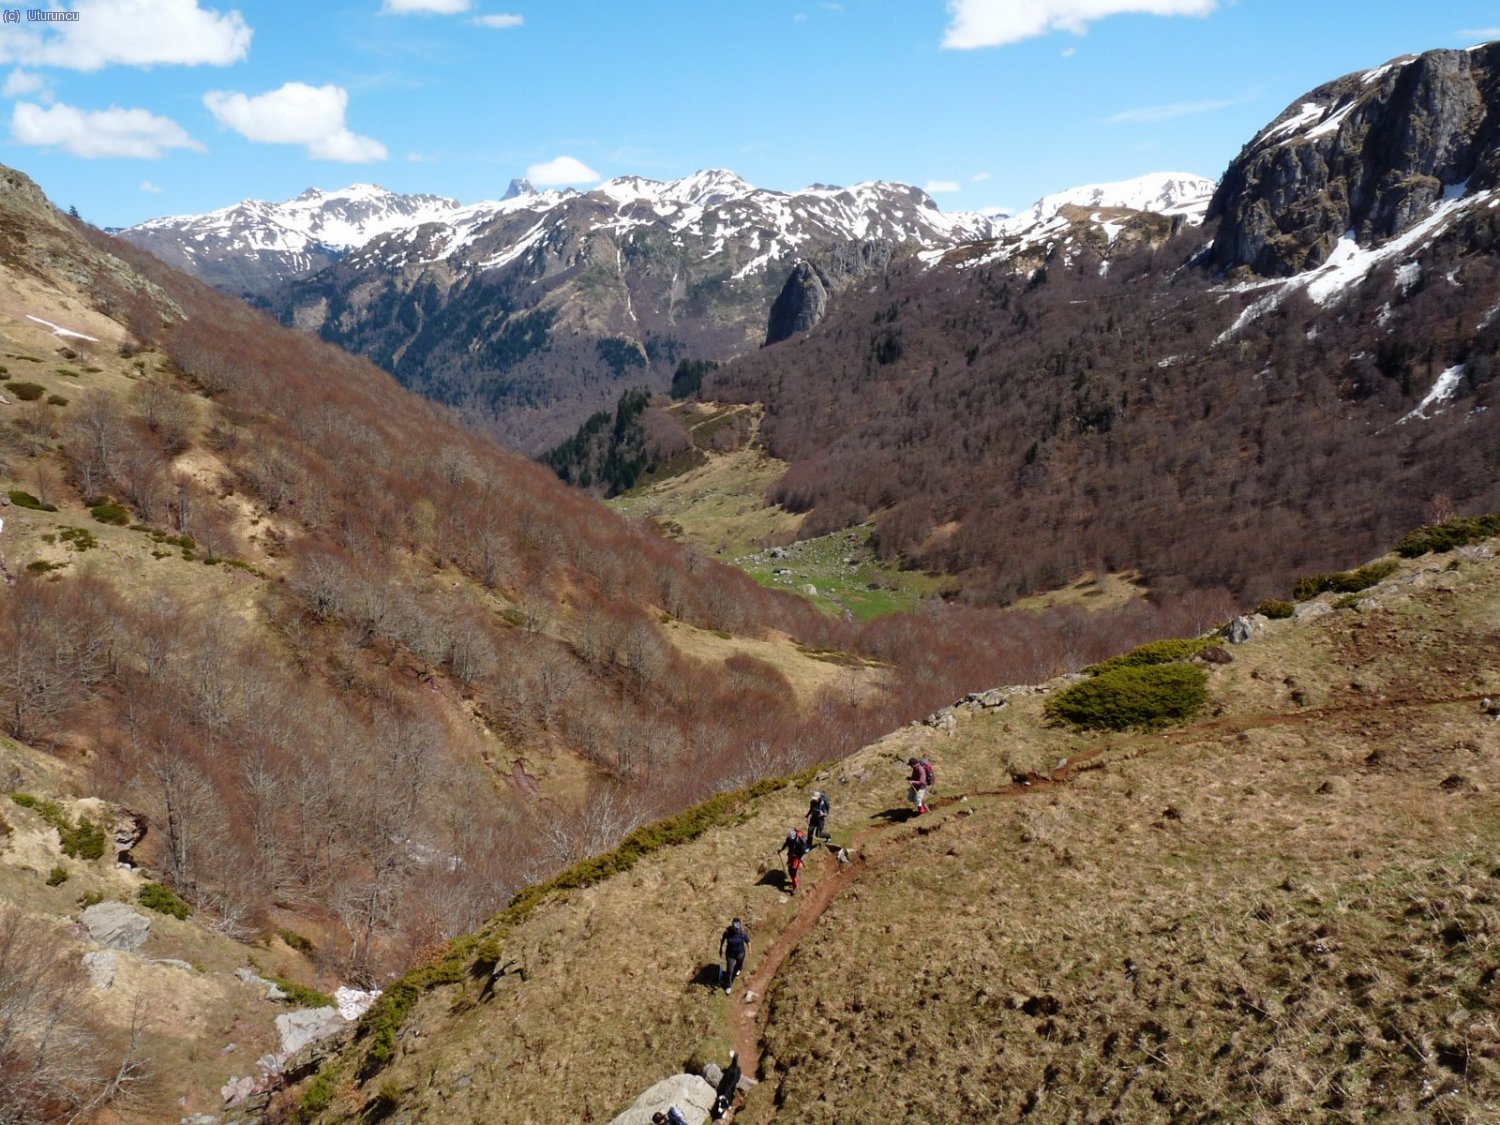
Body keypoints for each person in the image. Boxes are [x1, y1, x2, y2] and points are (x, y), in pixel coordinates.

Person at [719, 917, 749, 995]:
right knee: (729, 971)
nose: (736, 930)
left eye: (737, 928)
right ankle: (728, 986)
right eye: (735, 928)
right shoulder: (727, 933)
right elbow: (722, 940)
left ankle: (737, 969)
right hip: (730, 954)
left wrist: (750, 949)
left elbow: (748, 941)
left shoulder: (742, 933)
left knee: (739, 966)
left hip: (740, 953)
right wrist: (721, 949)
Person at [711, 1050, 742, 1119]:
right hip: (729, 1088)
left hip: (728, 1088)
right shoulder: (736, 1070)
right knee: (728, 1091)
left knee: (728, 1091)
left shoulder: (733, 1070)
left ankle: (722, 1110)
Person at [777, 826, 808, 892]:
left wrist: (801, 859)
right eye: (789, 838)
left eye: (791, 839)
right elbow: (786, 844)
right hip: (791, 855)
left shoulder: (799, 841)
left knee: (793, 872)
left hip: (797, 857)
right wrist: (781, 850)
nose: (790, 839)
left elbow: (802, 851)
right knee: (789, 870)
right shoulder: (789, 839)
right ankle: (795, 881)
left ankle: (795, 887)